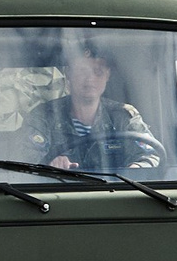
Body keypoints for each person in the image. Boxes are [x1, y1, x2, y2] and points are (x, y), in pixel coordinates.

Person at [25, 43, 163, 173]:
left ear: (107, 75)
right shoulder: (44, 115)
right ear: (68, 74)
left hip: (117, 194)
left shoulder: (123, 116)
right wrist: (49, 164)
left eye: (97, 72)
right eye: (82, 71)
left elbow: (151, 155)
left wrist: (136, 170)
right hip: (58, 194)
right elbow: (23, 158)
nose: (89, 79)